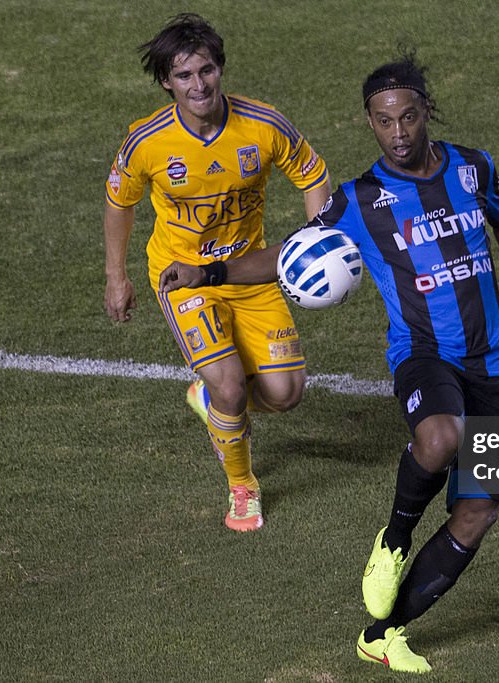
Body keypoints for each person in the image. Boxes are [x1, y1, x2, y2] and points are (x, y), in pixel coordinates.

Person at [158, 52, 499, 672]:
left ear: (425, 112)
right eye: (384, 122)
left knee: (478, 509)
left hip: (496, 361)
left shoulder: (471, 168)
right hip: (423, 353)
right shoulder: (359, 200)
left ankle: (383, 631)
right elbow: (285, 254)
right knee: (438, 436)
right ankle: (395, 539)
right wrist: (208, 271)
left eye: (408, 117)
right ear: (370, 124)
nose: (398, 133)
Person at [103, 13, 331, 532]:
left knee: (285, 396)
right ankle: (242, 484)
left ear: (220, 68)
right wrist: (117, 275)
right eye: (184, 76)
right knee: (232, 388)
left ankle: (209, 398)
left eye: (205, 70)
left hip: (246, 271)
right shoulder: (147, 141)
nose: (198, 85)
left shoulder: (264, 124)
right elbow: (119, 203)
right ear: (167, 82)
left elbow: (313, 175)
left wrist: (318, 244)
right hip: (181, 276)